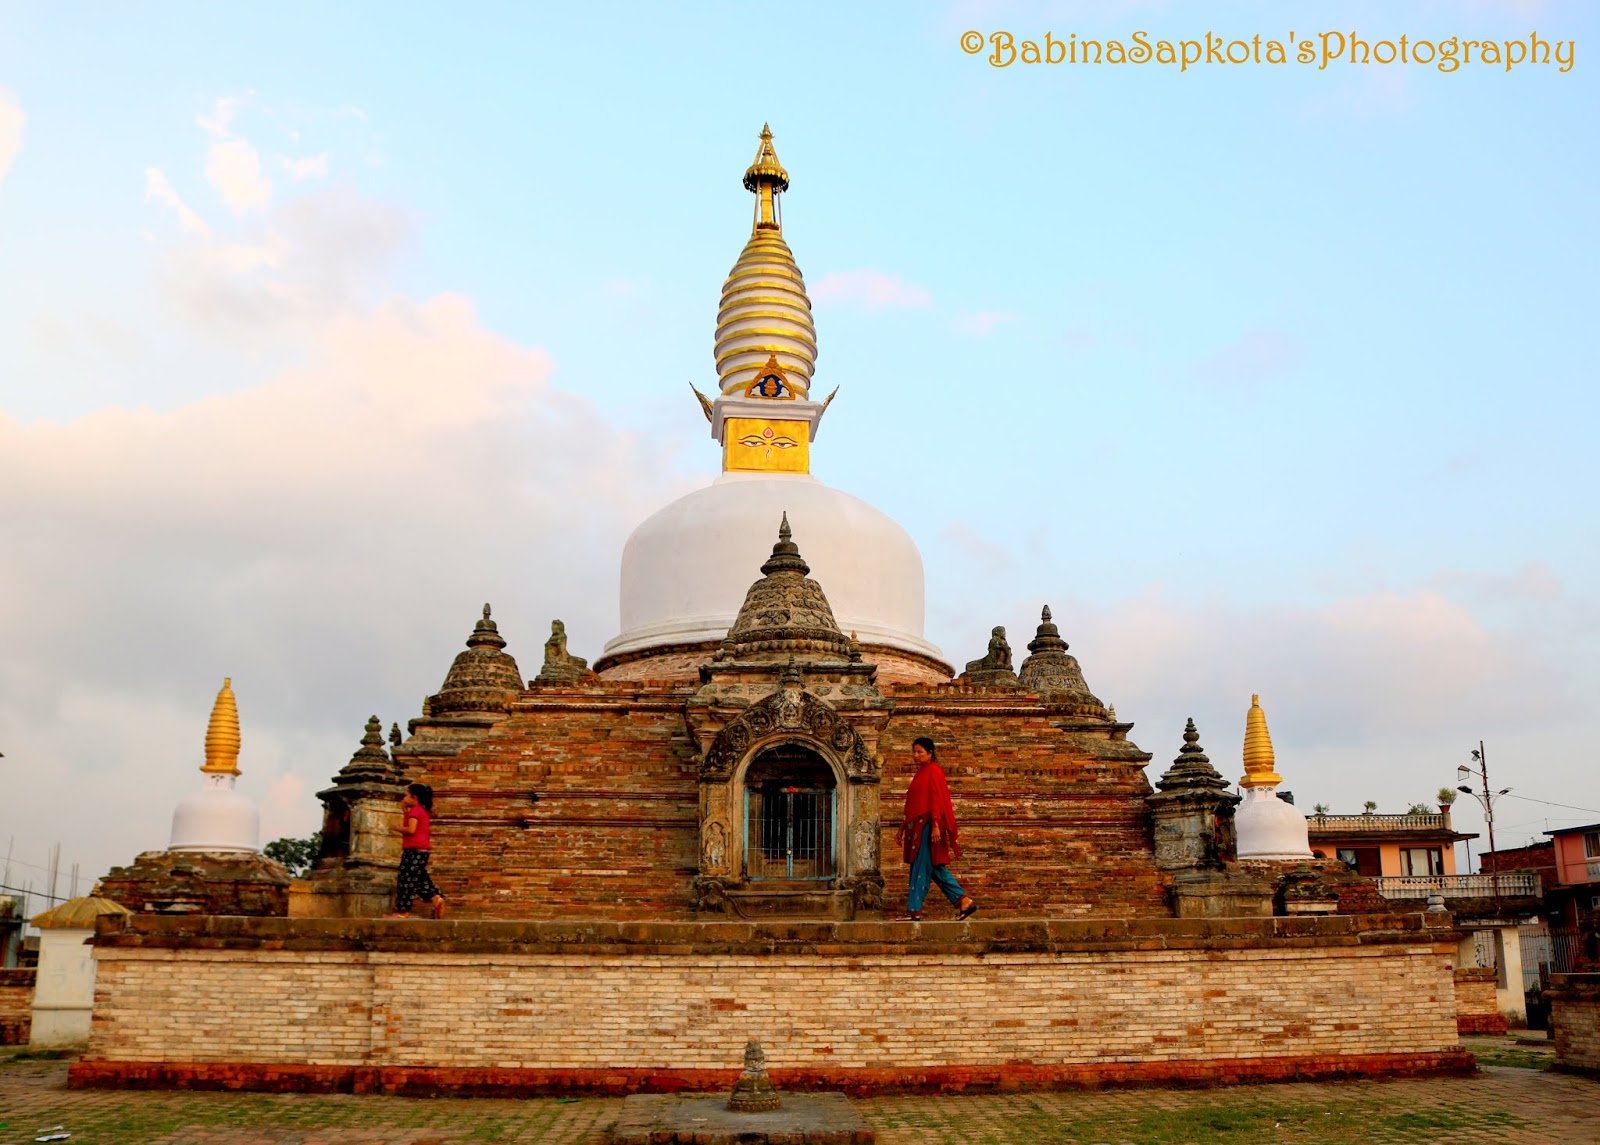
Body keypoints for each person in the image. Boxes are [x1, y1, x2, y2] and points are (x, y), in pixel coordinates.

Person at [897, 737, 977, 921]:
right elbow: (914, 803)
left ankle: (914, 910)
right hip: (918, 826)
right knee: (935, 868)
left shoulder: (933, 770)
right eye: (914, 751)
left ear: (930, 753)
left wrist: (934, 826)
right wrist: (903, 828)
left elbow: (935, 800)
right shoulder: (922, 773)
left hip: (927, 826)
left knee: (920, 867)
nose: (916, 755)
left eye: (920, 752)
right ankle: (964, 901)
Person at [386, 782, 447, 919]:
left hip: (414, 850)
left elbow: (411, 830)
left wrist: (396, 827)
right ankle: (435, 897)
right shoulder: (420, 811)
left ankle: (403, 911)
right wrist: (405, 812)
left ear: (415, 797)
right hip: (421, 850)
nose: (404, 798)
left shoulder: (415, 811)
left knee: (406, 880)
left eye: (407, 795)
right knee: (419, 878)